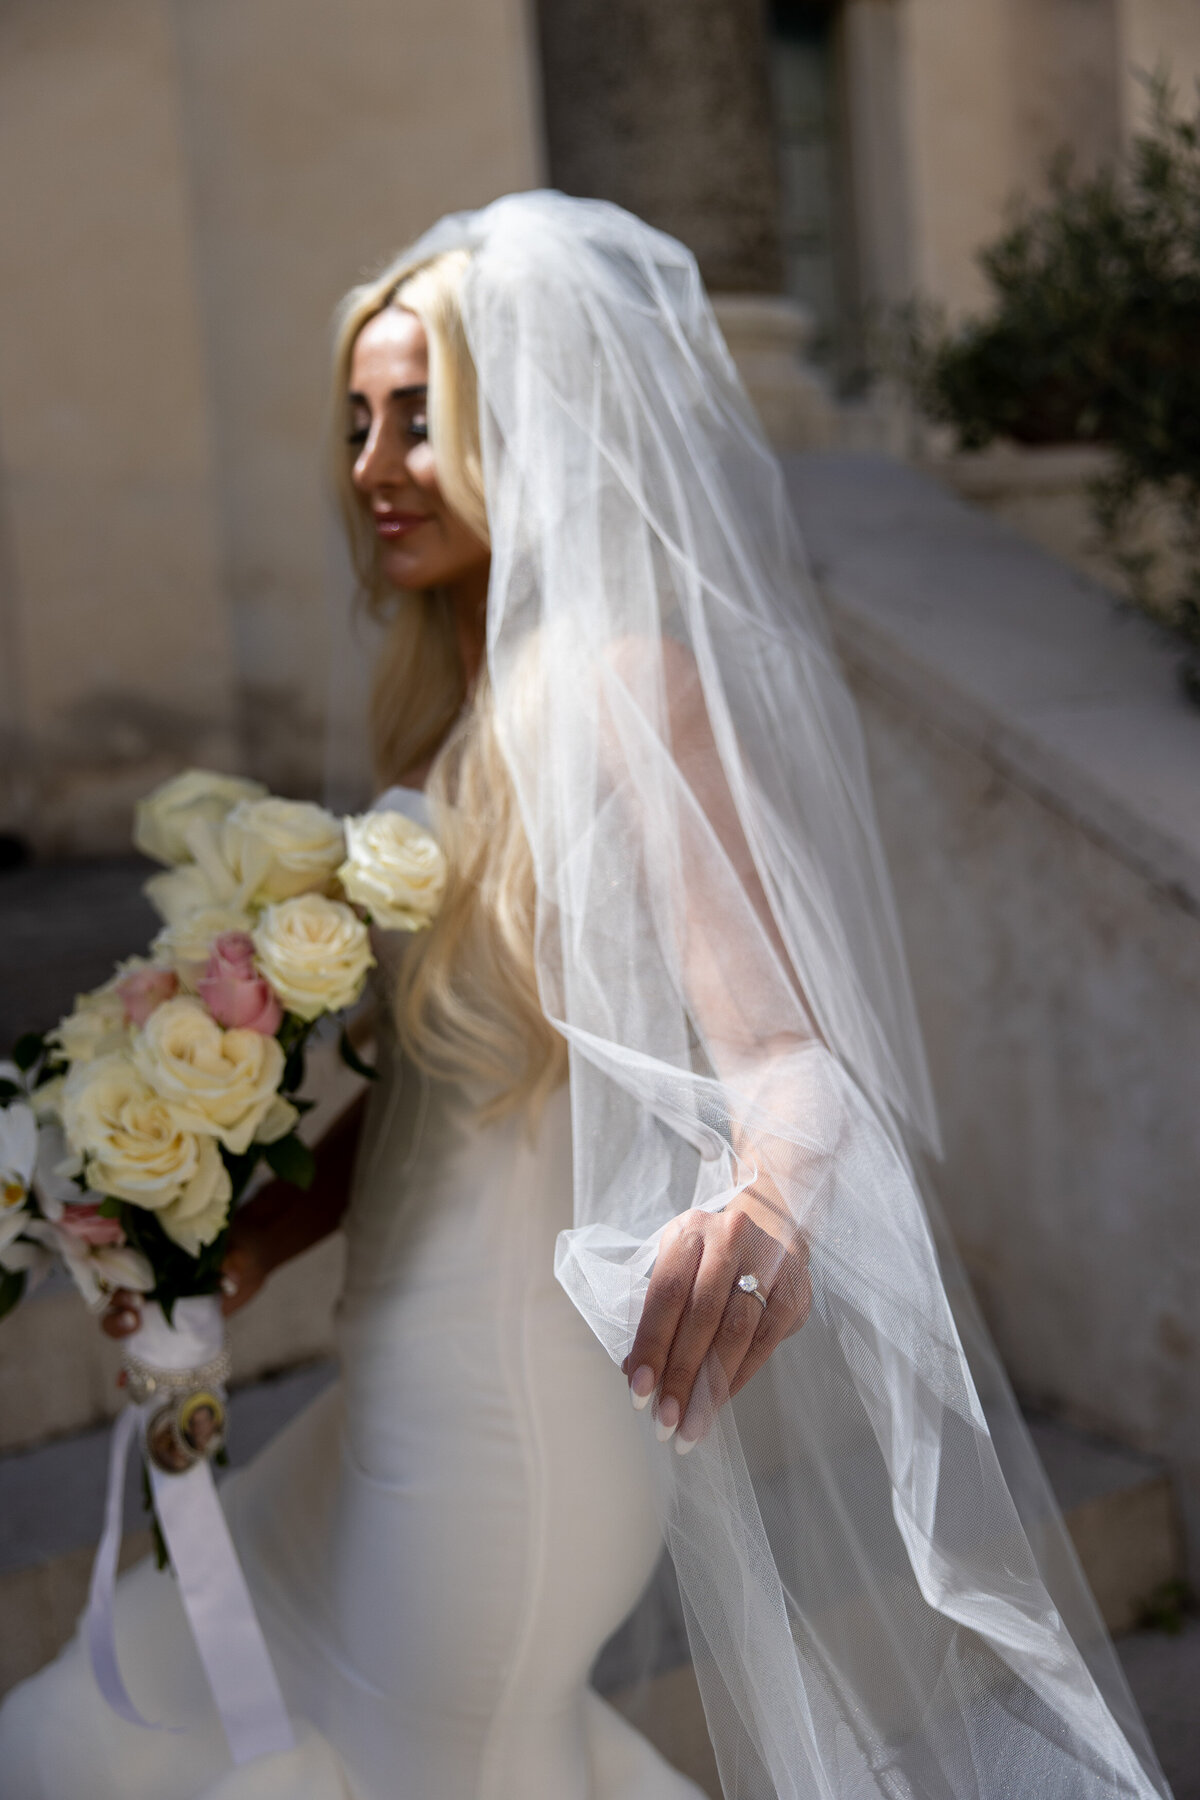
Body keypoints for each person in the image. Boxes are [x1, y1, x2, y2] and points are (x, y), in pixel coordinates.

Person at [0, 194, 1172, 1800]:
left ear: (518, 425)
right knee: (118, 1717)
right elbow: (437, 1083)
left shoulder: (624, 683)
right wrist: (241, 1231)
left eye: (421, 417)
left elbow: (780, 1051)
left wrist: (766, 1194)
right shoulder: (447, 711)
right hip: (392, 1380)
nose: (374, 462)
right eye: (356, 419)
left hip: (515, 1425)